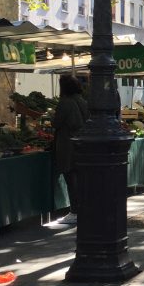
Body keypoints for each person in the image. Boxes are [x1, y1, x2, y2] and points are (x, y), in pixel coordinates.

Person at [53, 76, 89, 224]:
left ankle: (75, 211)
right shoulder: (83, 101)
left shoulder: (65, 103)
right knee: (79, 179)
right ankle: (82, 209)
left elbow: (56, 123)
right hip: (81, 144)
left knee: (71, 179)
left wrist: (51, 119)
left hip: (67, 144)